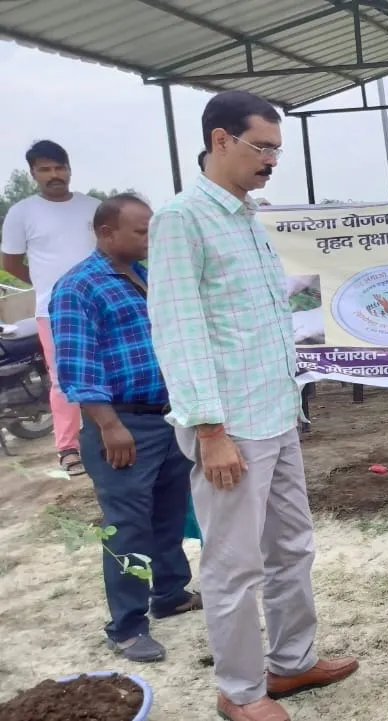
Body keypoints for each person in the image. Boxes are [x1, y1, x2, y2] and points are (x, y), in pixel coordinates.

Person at [148, 89, 357, 721]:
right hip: (230, 427)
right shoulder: (183, 219)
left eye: (276, 149)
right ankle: (238, 693)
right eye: (261, 147)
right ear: (220, 141)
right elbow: (179, 331)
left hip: (276, 414)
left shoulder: (248, 217)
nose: (271, 160)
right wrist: (209, 429)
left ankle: (290, 663)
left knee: (292, 546)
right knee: (234, 566)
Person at [49, 193, 203, 663]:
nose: (149, 238)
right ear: (105, 232)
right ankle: (128, 626)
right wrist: (109, 425)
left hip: (165, 415)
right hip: (122, 422)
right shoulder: (78, 287)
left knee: (168, 513)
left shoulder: (146, 276)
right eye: (141, 231)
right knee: (128, 527)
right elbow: (78, 366)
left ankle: (171, 593)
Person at [1, 140, 100, 476]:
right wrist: (47, 284)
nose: (54, 175)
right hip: (53, 310)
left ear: (69, 169)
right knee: (64, 379)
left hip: (100, 303)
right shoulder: (22, 213)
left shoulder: (94, 207)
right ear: (33, 173)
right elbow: (11, 263)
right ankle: (68, 449)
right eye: (45, 169)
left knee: (109, 368)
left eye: (60, 167)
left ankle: (109, 437)